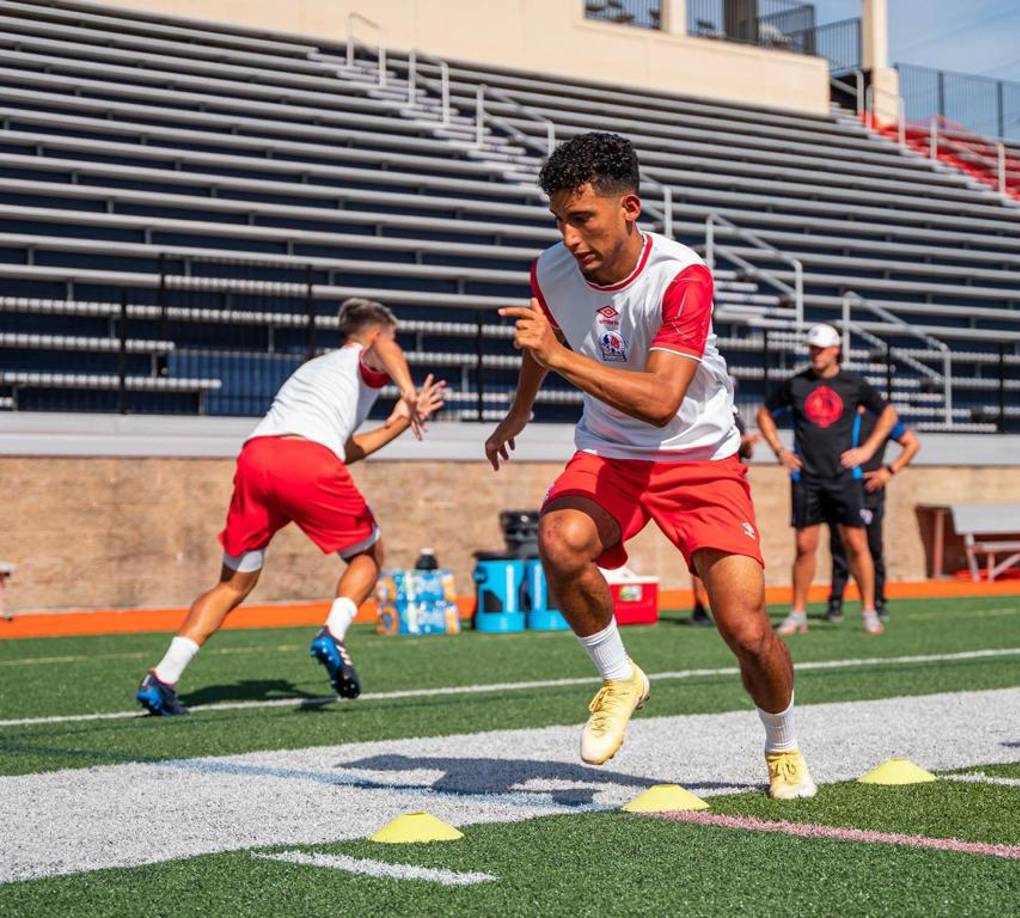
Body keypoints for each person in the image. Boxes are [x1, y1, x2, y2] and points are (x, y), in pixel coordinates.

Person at [484, 132, 815, 799]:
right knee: (558, 539)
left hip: (700, 460)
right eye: (558, 220)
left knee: (747, 631)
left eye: (583, 219)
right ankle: (619, 676)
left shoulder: (681, 276)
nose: (569, 237)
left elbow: (662, 401)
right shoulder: (548, 270)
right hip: (611, 452)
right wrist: (520, 410)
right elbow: (540, 339)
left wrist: (558, 358)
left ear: (629, 207)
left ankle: (781, 744)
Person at [135, 298, 446, 716]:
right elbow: (384, 350)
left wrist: (400, 422)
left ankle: (162, 679)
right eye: (392, 338)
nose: (395, 348)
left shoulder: (314, 370)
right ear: (374, 335)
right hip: (306, 463)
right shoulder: (364, 357)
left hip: (257, 458)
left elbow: (342, 449)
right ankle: (333, 635)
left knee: (233, 584)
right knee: (369, 556)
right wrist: (408, 394)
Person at [755, 323, 897, 637]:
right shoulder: (797, 384)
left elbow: (888, 414)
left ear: (836, 350)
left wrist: (867, 450)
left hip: (844, 477)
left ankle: (869, 610)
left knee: (857, 544)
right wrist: (780, 450)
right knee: (805, 546)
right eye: (812, 349)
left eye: (821, 349)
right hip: (807, 478)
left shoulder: (854, 383)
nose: (815, 354)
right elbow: (764, 413)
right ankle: (797, 612)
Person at [824, 406, 921, 624]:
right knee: (840, 545)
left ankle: (878, 601)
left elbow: (912, 444)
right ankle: (836, 601)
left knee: (872, 546)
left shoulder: (881, 418)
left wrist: (889, 470)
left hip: (869, 489)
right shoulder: (838, 413)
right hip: (840, 487)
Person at [691, 405, 758, 626]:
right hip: (704, 484)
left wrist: (747, 444)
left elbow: (746, 453)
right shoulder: (700, 409)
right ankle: (700, 606)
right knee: (700, 549)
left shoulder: (734, 414)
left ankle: (736, 606)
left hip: (732, 490)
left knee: (739, 549)